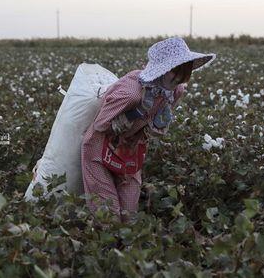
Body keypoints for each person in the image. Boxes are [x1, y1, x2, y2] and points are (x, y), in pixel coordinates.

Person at [81, 36, 216, 224]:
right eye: (175, 71)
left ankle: (124, 249)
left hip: (130, 151)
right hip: (99, 147)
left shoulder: (175, 91)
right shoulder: (131, 93)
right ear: (162, 69)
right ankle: (105, 247)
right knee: (108, 217)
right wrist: (135, 113)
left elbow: (158, 129)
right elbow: (101, 125)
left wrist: (157, 117)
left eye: (184, 72)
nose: (178, 77)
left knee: (130, 216)